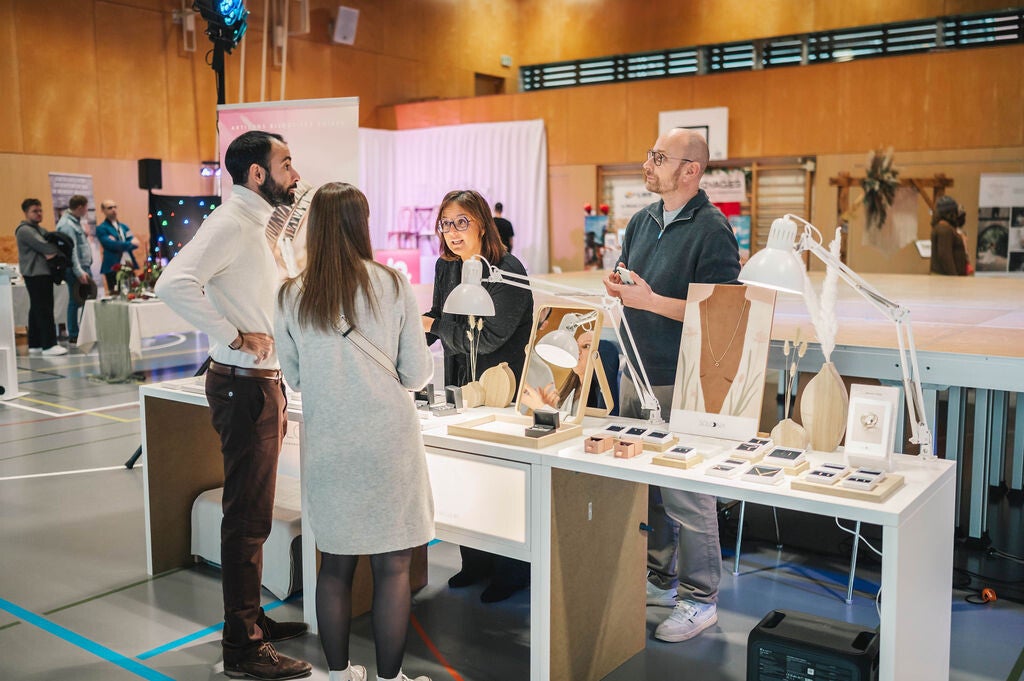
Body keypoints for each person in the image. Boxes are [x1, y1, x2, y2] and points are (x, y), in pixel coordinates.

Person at [155, 130, 312, 680]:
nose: (295, 173)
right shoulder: (229, 223)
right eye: (286, 163)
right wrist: (233, 336)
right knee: (246, 518)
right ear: (257, 173)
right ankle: (242, 646)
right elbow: (172, 283)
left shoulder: (259, 224)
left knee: (255, 515)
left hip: (261, 384)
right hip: (244, 386)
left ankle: (252, 622)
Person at [275, 182, 435, 681]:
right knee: (394, 567)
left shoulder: (291, 295)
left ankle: (340, 674)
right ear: (360, 223)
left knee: (335, 567)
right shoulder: (392, 284)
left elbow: (294, 377)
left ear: (316, 227)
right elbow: (417, 374)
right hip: (389, 444)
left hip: (330, 444)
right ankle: (390, 678)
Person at [603, 128, 741, 643]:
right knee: (648, 489)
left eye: (659, 157)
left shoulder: (713, 230)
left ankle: (701, 599)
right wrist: (620, 288)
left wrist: (651, 301)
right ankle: (661, 578)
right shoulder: (641, 221)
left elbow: (723, 316)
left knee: (687, 494)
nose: (648, 163)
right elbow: (632, 285)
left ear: (691, 170)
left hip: (681, 380)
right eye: (649, 153)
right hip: (634, 371)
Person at [422, 189, 534, 603]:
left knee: (501, 481)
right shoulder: (446, 266)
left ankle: (512, 570)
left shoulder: (508, 271)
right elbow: (439, 319)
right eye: (445, 224)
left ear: (482, 224)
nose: (452, 232)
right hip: (461, 384)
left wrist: (433, 326)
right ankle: (475, 562)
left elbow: (488, 338)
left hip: (501, 387)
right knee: (466, 475)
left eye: (461, 222)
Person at [15, 198, 68, 357]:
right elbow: (46, 247)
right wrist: (57, 248)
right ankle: (49, 344)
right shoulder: (25, 230)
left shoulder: (39, 229)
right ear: (26, 213)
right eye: (34, 211)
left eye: (40, 210)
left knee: (36, 308)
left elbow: (53, 244)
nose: (39, 214)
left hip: (42, 273)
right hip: (36, 273)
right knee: (45, 308)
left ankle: (35, 343)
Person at [55, 194, 94, 343]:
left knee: (85, 300)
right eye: (86, 208)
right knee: (76, 300)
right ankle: (74, 334)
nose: (86, 211)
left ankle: (84, 331)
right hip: (76, 269)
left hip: (82, 266)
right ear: (80, 207)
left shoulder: (74, 222)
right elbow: (71, 250)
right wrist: (79, 271)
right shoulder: (67, 225)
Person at [97, 199, 140, 294]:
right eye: (110, 208)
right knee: (115, 293)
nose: (113, 210)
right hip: (113, 266)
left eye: (115, 207)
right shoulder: (101, 228)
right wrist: (128, 243)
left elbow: (136, 243)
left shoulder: (124, 227)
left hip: (128, 263)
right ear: (103, 210)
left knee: (133, 291)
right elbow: (111, 245)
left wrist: (119, 243)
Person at [929, 195, 968, 276]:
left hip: (945, 278)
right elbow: (945, 255)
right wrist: (953, 276)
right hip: (944, 279)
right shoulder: (944, 229)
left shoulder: (945, 228)